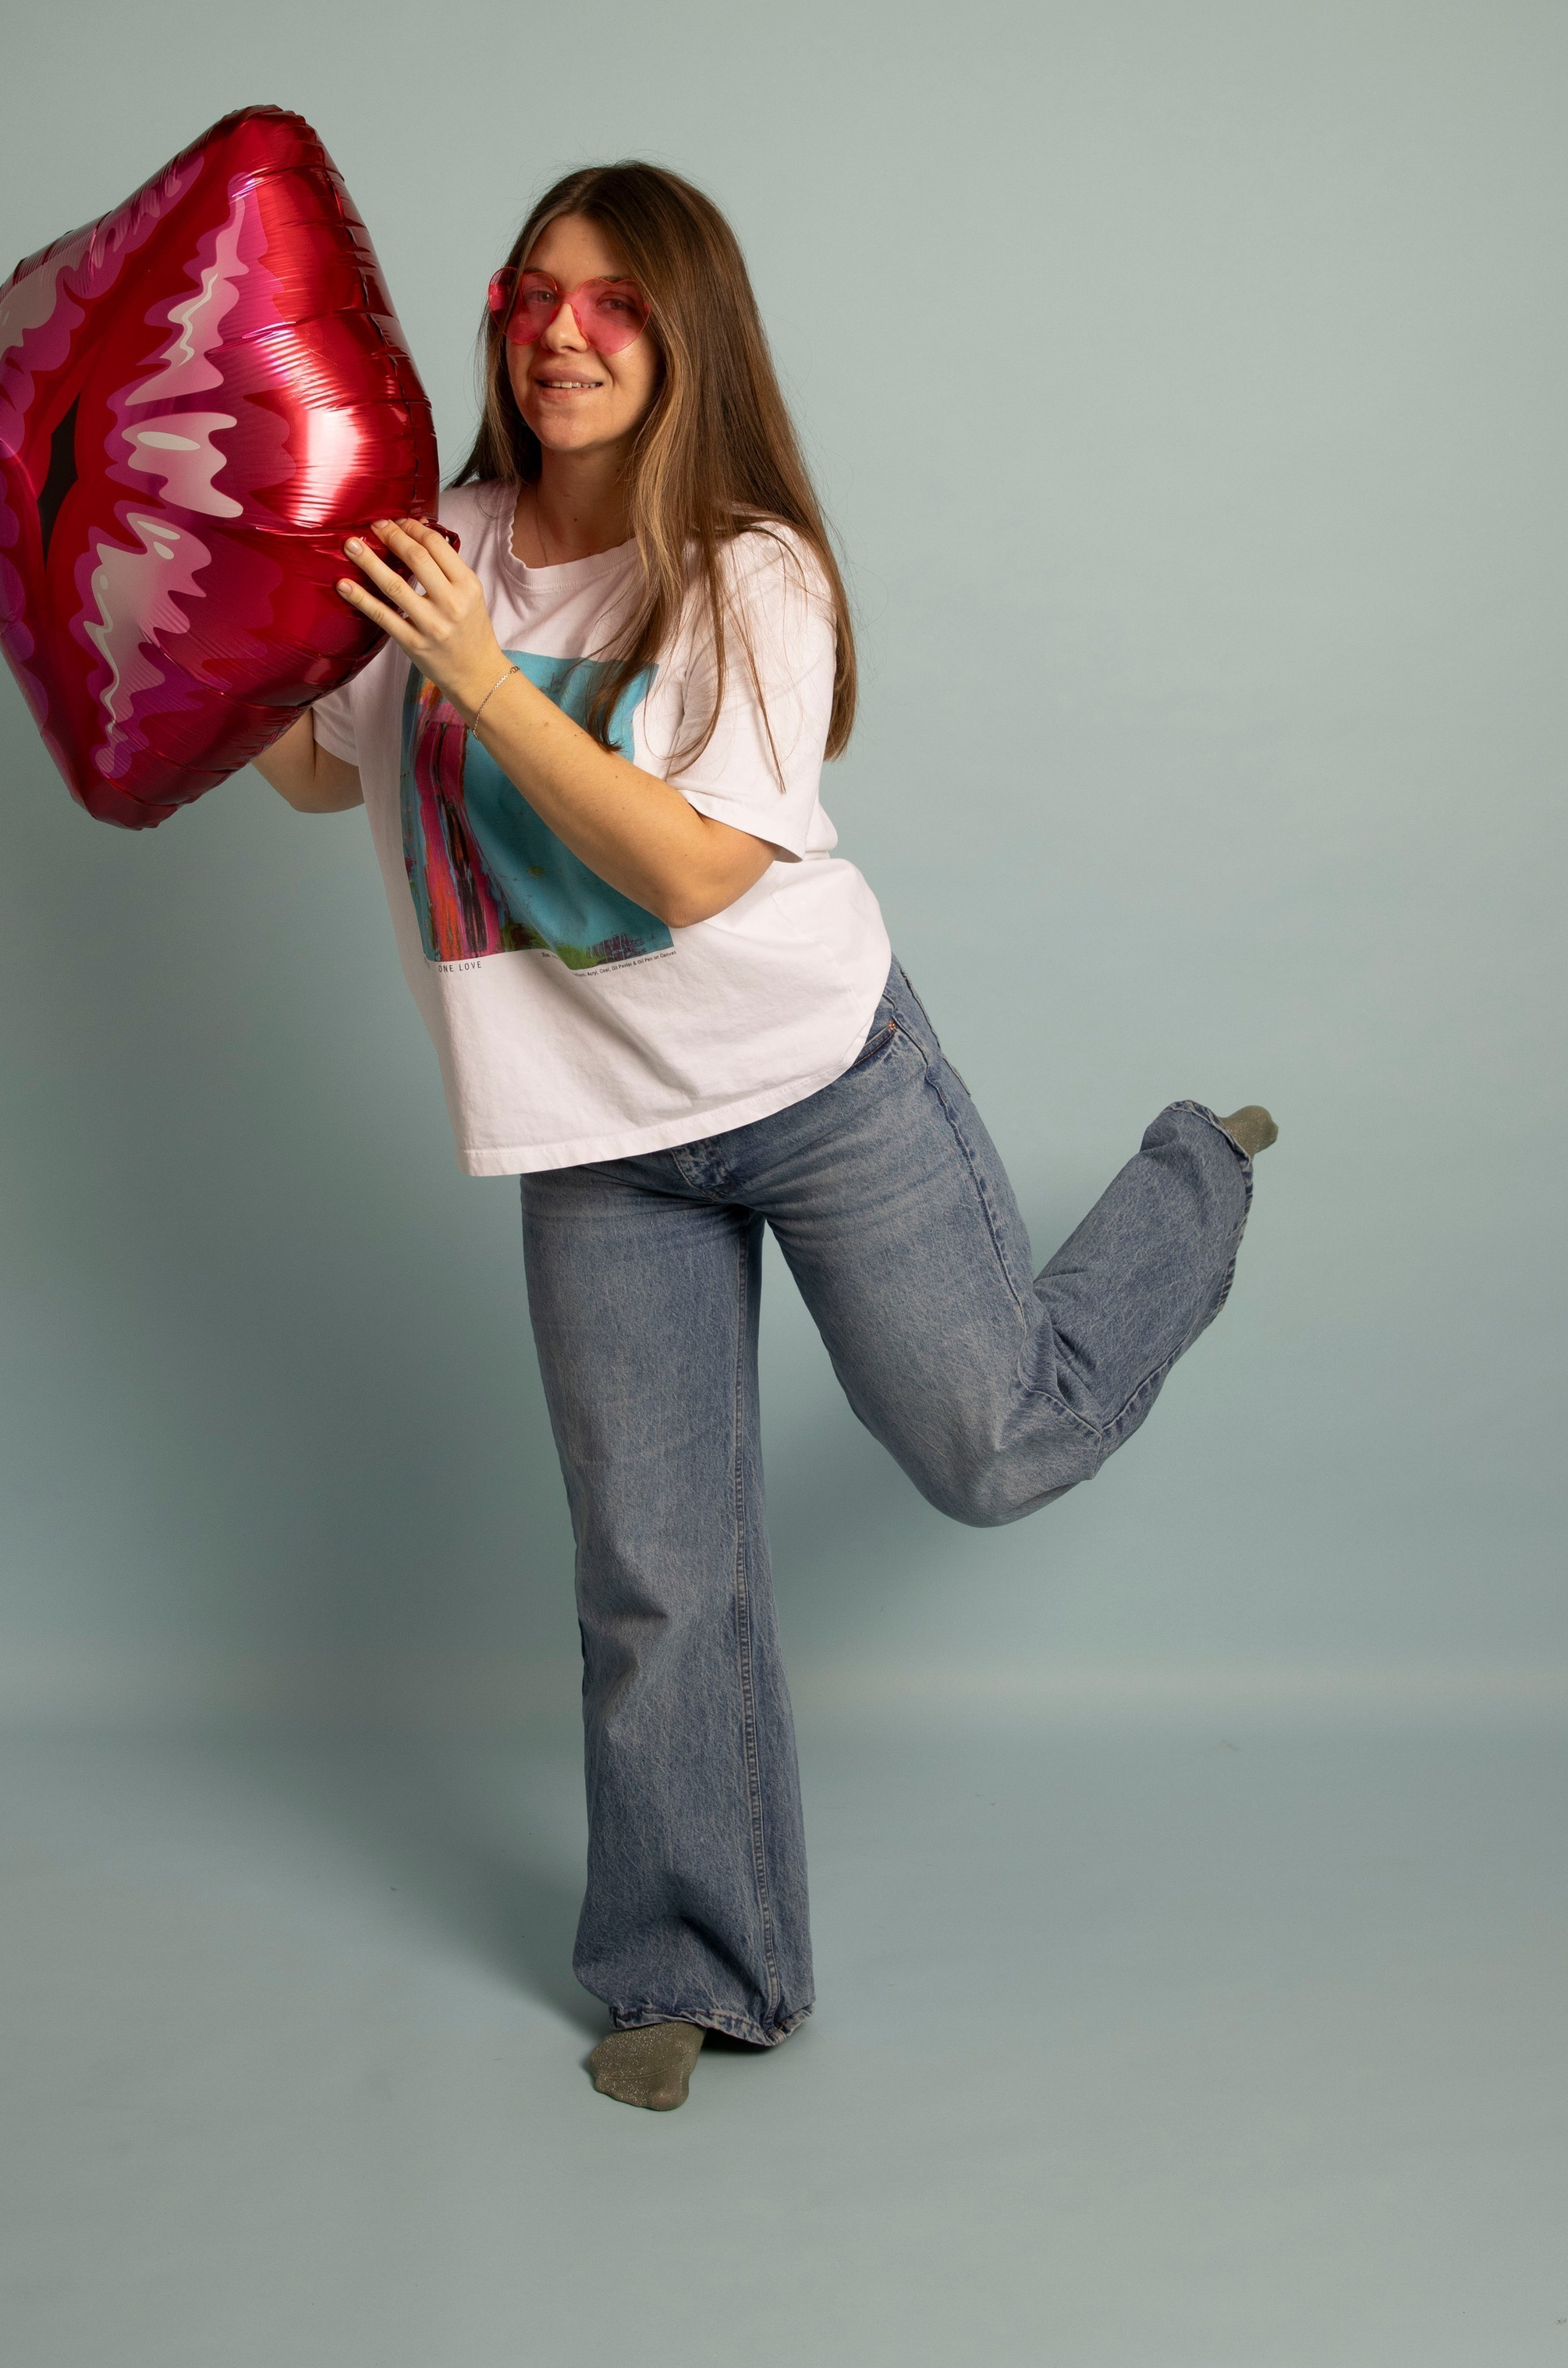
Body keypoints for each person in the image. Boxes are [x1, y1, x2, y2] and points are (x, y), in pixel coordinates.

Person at [254, 163, 1275, 2114]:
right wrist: (229, 659)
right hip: (594, 1139)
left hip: (812, 1079)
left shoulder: (749, 573)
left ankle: (1192, 1175)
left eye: (614, 302)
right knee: (655, 1567)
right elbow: (323, 766)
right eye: (530, 292)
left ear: (684, 333)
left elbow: (703, 867)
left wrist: (483, 678)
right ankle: (688, 1963)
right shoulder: (438, 539)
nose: (559, 331)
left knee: (997, 1443)